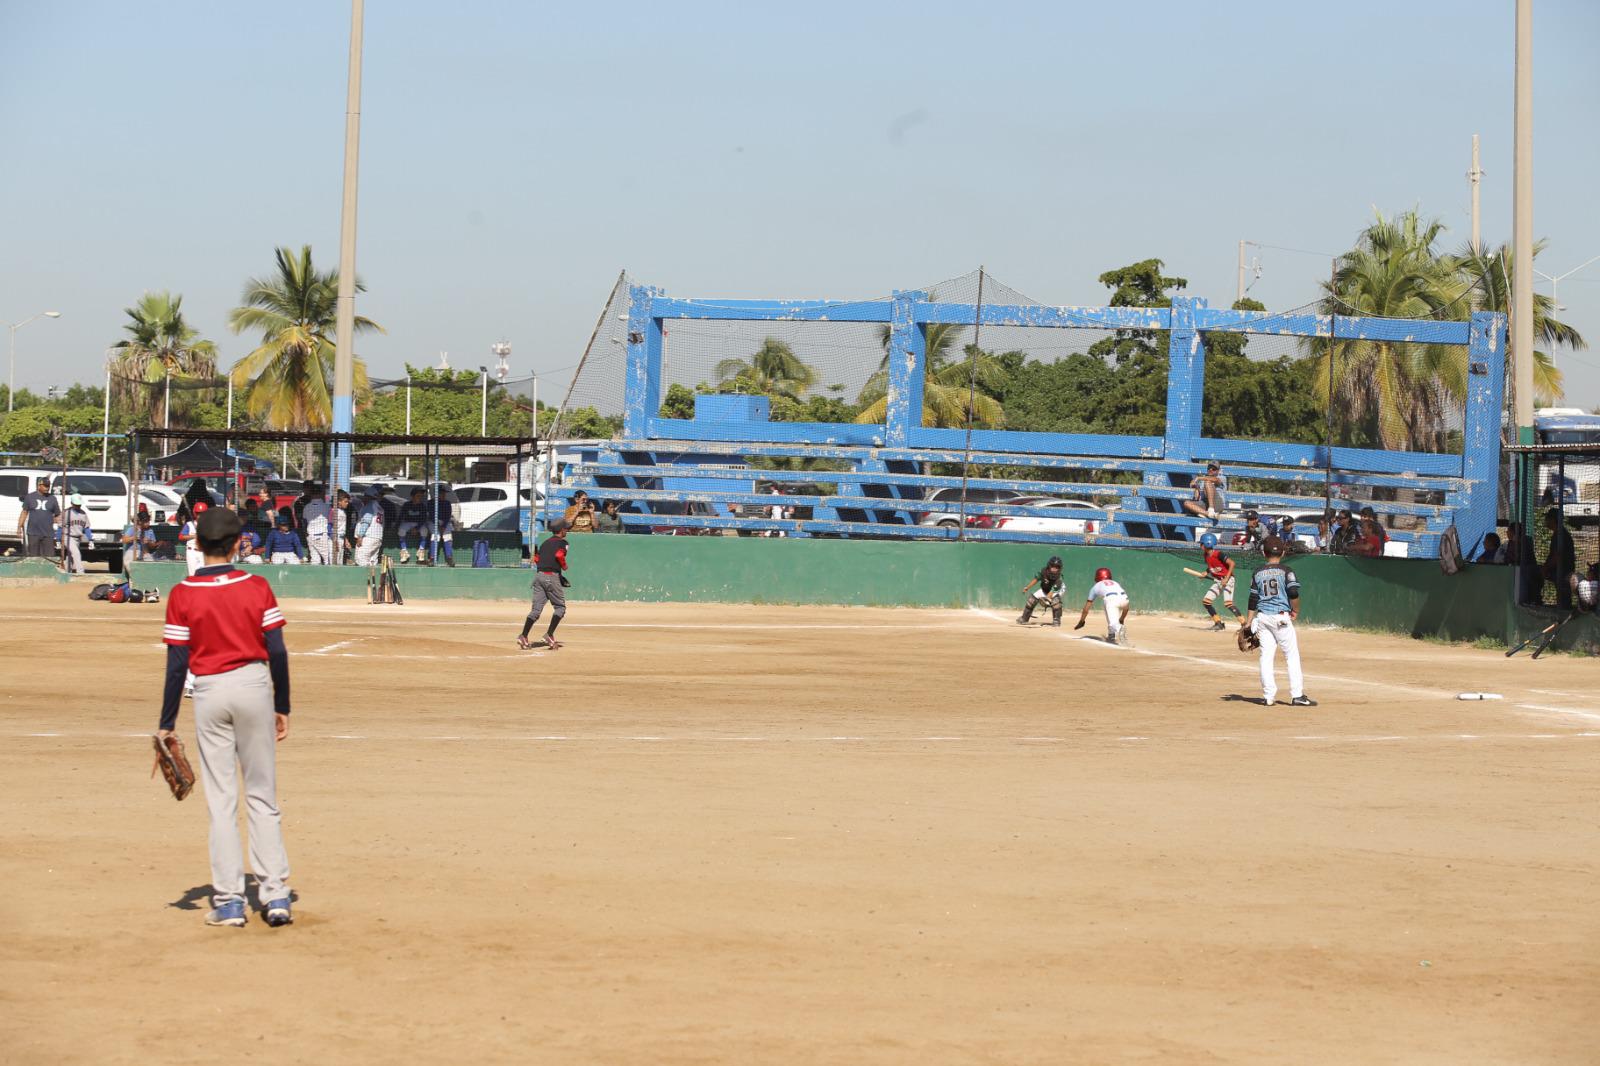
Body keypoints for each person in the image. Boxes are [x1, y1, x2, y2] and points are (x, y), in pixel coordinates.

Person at [157, 505, 294, 928]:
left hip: (210, 691)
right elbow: (276, 651)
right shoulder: (256, 586)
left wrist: (167, 720)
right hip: (254, 687)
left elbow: (177, 663)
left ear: (196, 544)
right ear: (239, 543)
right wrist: (281, 704)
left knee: (221, 801)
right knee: (262, 796)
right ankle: (275, 897)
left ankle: (231, 901)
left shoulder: (182, 593)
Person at [1243, 536, 1316, 707]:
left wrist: (1249, 621)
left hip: (1263, 617)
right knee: (1291, 655)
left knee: (1266, 656)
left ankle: (1268, 696)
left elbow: (1253, 598)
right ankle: (1297, 695)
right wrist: (1296, 610)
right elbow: (1293, 593)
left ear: (1263, 553)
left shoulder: (1258, 572)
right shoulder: (1286, 571)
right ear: (1283, 552)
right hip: (1281, 616)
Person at [518, 517, 570, 650]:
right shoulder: (563, 543)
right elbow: (559, 555)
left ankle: (523, 636)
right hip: (550, 577)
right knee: (560, 608)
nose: (567, 531)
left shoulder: (545, 543)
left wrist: (550, 570)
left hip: (539, 576)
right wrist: (563, 567)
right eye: (566, 529)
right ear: (562, 530)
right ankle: (549, 635)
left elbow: (536, 558)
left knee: (535, 611)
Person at [1196, 532, 1243, 631]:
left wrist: (1226, 578)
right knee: (1206, 602)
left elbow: (1232, 563)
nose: (1200, 545)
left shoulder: (1218, 554)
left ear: (1207, 544)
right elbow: (1212, 567)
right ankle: (1218, 623)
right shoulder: (1206, 555)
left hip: (1228, 579)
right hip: (1218, 581)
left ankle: (1244, 624)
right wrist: (1206, 572)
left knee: (1228, 604)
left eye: (1202, 544)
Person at [1074, 566, 1130, 645]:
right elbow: (1126, 607)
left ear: (1097, 577)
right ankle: (1111, 634)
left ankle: (1119, 628)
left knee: (1113, 623)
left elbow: (1086, 608)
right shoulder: (1115, 583)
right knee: (1106, 604)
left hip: (1111, 600)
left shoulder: (1095, 587)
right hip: (1125, 599)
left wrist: (1082, 621)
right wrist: (1122, 618)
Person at [1541, 508, 1576, 610]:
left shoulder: (1561, 534)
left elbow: (1557, 556)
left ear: (1553, 520)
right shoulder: (1558, 533)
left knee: (1564, 598)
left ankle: (1563, 613)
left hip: (1563, 572)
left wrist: (1545, 568)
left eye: (1548, 518)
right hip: (1560, 572)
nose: (1546, 521)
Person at [17, 476, 59, 559]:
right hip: (33, 532)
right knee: (33, 556)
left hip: (48, 533)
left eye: (48, 486)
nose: (47, 488)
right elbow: (24, 512)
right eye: (45, 486)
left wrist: (54, 523)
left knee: (49, 557)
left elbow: (57, 514)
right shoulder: (30, 497)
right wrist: (19, 527)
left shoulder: (52, 498)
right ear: (39, 486)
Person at [1016, 555, 1065, 626]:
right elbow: (1036, 579)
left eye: (1057, 567)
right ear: (1049, 566)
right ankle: (1024, 618)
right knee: (1031, 600)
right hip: (1045, 588)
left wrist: (1046, 599)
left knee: (1055, 601)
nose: (1054, 568)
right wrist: (1027, 587)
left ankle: (1056, 620)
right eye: (1053, 566)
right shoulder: (1044, 571)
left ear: (1060, 568)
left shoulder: (1059, 578)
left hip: (1058, 590)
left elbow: (1053, 591)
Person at [301, 484, 334, 565]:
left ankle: (315, 577)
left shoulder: (306, 507)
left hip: (310, 536)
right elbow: (331, 522)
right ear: (320, 494)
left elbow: (304, 522)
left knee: (315, 560)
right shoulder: (327, 507)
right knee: (328, 560)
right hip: (322, 536)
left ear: (311, 495)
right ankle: (329, 577)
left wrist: (306, 534)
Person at [61, 493, 93, 574]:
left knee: (70, 556)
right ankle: (80, 572)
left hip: (78, 538)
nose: (78, 506)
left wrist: (90, 539)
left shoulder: (83, 513)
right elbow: (60, 527)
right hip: (68, 537)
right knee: (76, 553)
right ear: (72, 503)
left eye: (79, 504)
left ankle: (67, 572)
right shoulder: (66, 512)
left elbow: (86, 528)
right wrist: (58, 539)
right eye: (76, 504)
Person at [352, 486, 385, 567]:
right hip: (378, 538)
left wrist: (360, 536)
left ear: (369, 496)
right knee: (372, 562)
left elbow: (366, 521)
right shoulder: (380, 508)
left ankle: (362, 578)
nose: (364, 498)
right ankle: (372, 579)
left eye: (365, 496)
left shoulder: (369, 506)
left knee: (361, 559)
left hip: (368, 537)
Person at [397, 487, 430, 564]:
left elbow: (423, 519)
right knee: (401, 530)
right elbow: (401, 516)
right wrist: (396, 526)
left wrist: (416, 528)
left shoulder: (422, 506)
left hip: (419, 523)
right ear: (413, 496)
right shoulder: (407, 505)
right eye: (418, 496)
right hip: (407, 523)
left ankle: (421, 551)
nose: (420, 497)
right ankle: (404, 552)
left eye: (421, 496)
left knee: (424, 530)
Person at [181, 501, 210, 576]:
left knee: (204, 575)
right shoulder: (189, 524)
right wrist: (194, 536)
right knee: (193, 575)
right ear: (195, 513)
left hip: (203, 552)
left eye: (202, 513)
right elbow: (181, 536)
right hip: (192, 552)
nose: (200, 515)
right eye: (198, 513)